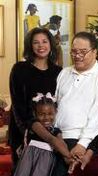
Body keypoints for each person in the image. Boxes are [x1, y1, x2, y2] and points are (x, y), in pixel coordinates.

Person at [51, 31, 98, 176]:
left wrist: (83, 144)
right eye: (74, 51)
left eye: (82, 52)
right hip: (58, 139)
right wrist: (55, 134)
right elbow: (55, 106)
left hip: (82, 141)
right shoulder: (64, 73)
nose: (77, 56)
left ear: (95, 52)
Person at [8, 27, 65, 167]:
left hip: (52, 131)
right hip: (25, 134)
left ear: (51, 44)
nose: (41, 46)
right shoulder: (19, 69)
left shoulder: (59, 72)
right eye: (36, 42)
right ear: (30, 46)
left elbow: (60, 105)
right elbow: (19, 108)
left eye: (44, 41)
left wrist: (55, 136)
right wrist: (43, 136)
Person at [5, 93, 74, 176]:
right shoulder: (34, 127)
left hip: (47, 166)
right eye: (41, 114)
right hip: (31, 164)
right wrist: (69, 156)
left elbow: (61, 144)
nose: (46, 117)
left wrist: (68, 157)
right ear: (35, 114)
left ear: (56, 112)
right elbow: (53, 141)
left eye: (50, 113)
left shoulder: (56, 131)